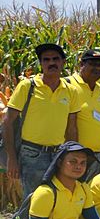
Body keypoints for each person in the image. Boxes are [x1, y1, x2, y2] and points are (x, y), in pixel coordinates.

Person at [4, 43, 80, 196]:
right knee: (31, 201)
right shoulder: (27, 87)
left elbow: (71, 128)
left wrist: (73, 156)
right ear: (41, 64)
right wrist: (11, 158)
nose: (51, 63)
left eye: (55, 59)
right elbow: (7, 122)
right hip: (31, 154)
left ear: (63, 62)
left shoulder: (71, 91)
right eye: (46, 60)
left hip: (59, 154)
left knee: (54, 199)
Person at [68, 50, 100, 178]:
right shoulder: (68, 85)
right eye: (93, 64)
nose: (97, 68)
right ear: (81, 64)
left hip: (98, 156)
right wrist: (72, 154)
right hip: (78, 156)